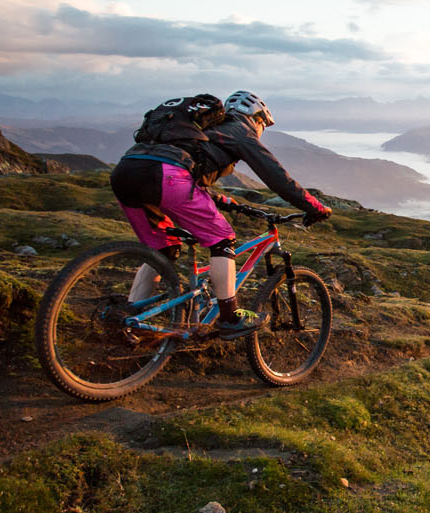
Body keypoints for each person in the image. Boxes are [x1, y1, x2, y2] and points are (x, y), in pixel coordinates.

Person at [110, 90, 332, 339]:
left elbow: (190, 167)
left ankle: (128, 317)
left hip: (126, 171)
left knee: (162, 250)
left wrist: (220, 200)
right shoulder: (241, 130)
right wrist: (314, 207)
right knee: (222, 239)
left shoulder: (200, 129)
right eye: (263, 125)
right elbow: (276, 176)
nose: (261, 131)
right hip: (166, 175)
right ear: (256, 118)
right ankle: (229, 316)